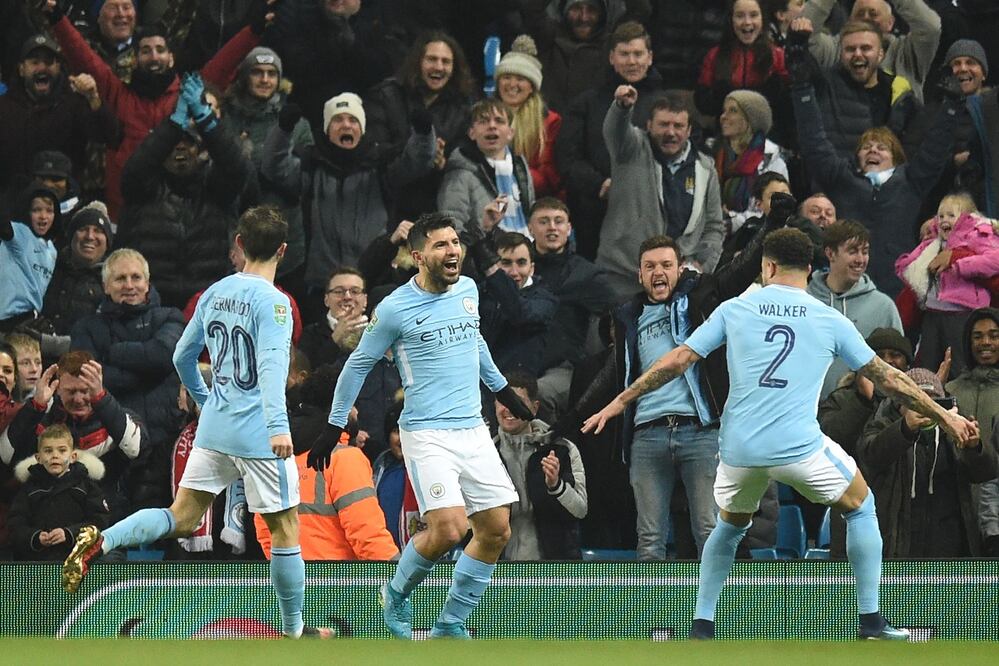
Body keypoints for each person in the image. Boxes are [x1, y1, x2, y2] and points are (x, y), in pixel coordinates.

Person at [582, 228, 980, 640]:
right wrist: (946, 417)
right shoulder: (829, 319)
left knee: (730, 526)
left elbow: (678, 359)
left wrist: (619, 402)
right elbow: (891, 379)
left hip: (738, 452)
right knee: (861, 506)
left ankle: (702, 623)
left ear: (767, 266)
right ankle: (871, 621)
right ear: (809, 270)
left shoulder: (734, 309)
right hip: (798, 449)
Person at [59, 207, 332, 638]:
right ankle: (296, 633)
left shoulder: (214, 293)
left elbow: (182, 357)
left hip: (215, 429)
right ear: (282, 249)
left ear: (239, 245)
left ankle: (104, 539)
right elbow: (274, 364)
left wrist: (206, 401)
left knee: (182, 516)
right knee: (285, 529)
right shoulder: (277, 303)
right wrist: (279, 426)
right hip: (259, 432)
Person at [311, 212, 534, 639]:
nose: (452, 251)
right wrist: (333, 424)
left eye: (455, 243)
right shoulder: (394, 308)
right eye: (440, 245)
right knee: (449, 528)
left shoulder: (467, 289)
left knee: (496, 529)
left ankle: (450, 623)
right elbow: (358, 364)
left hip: (472, 427)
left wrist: (501, 388)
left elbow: (475, 341)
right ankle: (394, 593)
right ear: (418, 256)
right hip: (426, 431)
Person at [117, 73, 251, 310]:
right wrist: (173, 124)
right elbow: (134, 169)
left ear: (199, 149)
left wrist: (206, 119)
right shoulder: (144, 188)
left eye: (188, 142)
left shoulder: (216, 187)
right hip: (149, 304)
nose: (179, 148)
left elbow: (237, 167)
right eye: (172, 143)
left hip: (208, 303)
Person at [254, 364, 399, 561]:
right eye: (352, 404)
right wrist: (401, 579)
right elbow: (367, 535)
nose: (356, 412)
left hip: (289, 581)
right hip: (339, 584)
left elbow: (265, 530)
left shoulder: (274, 456)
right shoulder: (345, 459)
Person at [598, 86, 724, 298]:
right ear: (648, 125)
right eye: (663, 124)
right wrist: (621, 107)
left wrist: (702, 265)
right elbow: (615, 130)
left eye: (678, 126)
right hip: (623, 276)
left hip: (678, 284)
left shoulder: (705, 167)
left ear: (689, 130)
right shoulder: (631, 149)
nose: (671, 132)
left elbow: (713, 226)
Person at [556, 20, 667, 259]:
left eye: (638, 54)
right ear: (611, 58)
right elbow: (567, 158)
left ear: (650, 57)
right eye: (624, 54)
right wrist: (599, 184)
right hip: (594, 212)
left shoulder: (665, 105)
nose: (632, 61)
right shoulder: (586, 102)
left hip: (651, 211)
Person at [858, 367, 997, 557]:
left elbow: (986, 473)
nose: (926, 408)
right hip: (899, 538)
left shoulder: (954, 428)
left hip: (950, 542)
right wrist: (905, 428)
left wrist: (974, 447)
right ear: (900, 402)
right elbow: (870, 457)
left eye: (933, 401)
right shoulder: (883, 421)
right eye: (917, 400)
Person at [895, 193, 999, 377]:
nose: (945, 220)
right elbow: (908, 266)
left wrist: (958, 263)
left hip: (964, 312)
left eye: (951, 215)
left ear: (968, 218)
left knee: (960, 366)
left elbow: (994, 260)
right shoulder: (934, 242)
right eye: (941, 215)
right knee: (926, 366)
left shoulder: (979, 235)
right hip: (933, 312)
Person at [495, 370, 587, 560]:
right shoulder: (484, 455)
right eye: (503, 401)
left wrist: (556, 486)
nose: (509, 408)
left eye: (517, 402)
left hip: (554, 570)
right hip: (497, 571)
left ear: (534, 407)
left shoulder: (563, 449)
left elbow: (580, 510)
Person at [807, 221, 903, 398]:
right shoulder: (805, 302)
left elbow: (898, 369)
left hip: (863, 417)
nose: (860, 259)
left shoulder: (883, 307)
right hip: (806, 412)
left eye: (865, 252)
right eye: (852, 251)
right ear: (830, 253)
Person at [799, 0, 941, 103]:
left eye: (873, 14)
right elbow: (803, 33)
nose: (866, 18)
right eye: (860, 14)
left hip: (900, 138)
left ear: (890, 22)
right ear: (849, 21)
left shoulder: (906, 51)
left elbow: (931, 28)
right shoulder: (836, 49)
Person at [8, 423, 109, 561]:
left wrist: (69, 534)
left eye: (62, 450)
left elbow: (99, 522)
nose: (55, 456)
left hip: (77, 561)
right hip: (36, 563)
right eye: (48, 451)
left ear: (73, 456)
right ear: (38, 458)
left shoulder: (86, 486)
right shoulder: (29, 489)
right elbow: (16, 524)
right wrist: (35, 537)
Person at [438, 98, 535, 236]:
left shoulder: (520, 166)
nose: (492, 126)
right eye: (483, 121)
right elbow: (452, 228)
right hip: (486, 253)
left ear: (510, 133)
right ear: (471, 133)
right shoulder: (459, 172)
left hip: (528, 250)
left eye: (499, 121)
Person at [946, 308, 999, 556]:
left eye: (993, 335)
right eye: (977, 336)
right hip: (955, 514)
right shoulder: (950, 391)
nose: (985, 342)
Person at [695, 0, 790, 137]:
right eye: (740, 16)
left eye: (753, 15)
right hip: (726, 136)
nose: (747, 22)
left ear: (763, 19)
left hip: (768, 137)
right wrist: (720, 97)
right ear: (731, 20)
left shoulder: (777, 56)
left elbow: (788, 105)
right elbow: (702, 102)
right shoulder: (715, 56)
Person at [494, 34, 563, 198]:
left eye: (520, 79)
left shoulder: (549, 121)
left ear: (532, 87)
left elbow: (549, 176)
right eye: (506, 77)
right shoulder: (484, 116)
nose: (512, 84)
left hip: (531, 202)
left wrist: (508, 170)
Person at [713, 90, 789, 233]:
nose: (723, 117)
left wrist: (732, 219)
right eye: (724, 111)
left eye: (733, 111)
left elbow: (776, 212)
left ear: (751, 119)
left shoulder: (773, 161)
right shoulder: (714, 155)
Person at [0, 184, 61, 333]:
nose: (43, 216)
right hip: (7, 319)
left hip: (31, 321)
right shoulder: (20, 233)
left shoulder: (53, 250)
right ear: (27, 212)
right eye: (36, 210)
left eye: (49, 211)